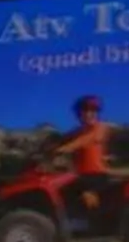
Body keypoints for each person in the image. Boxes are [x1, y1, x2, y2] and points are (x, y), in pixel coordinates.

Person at [38, 95, 111, 231]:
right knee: (58, 187)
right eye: (85, 110)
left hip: (98, 175)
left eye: (93, 110)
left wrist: (63, 149)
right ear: (79, 114)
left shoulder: (101, 128)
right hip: (82, 176)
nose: (89, 114)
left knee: (72, 189)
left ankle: (83, 224)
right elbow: (62, 139)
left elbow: (85, 140)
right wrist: (48, 144)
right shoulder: (77, 131)